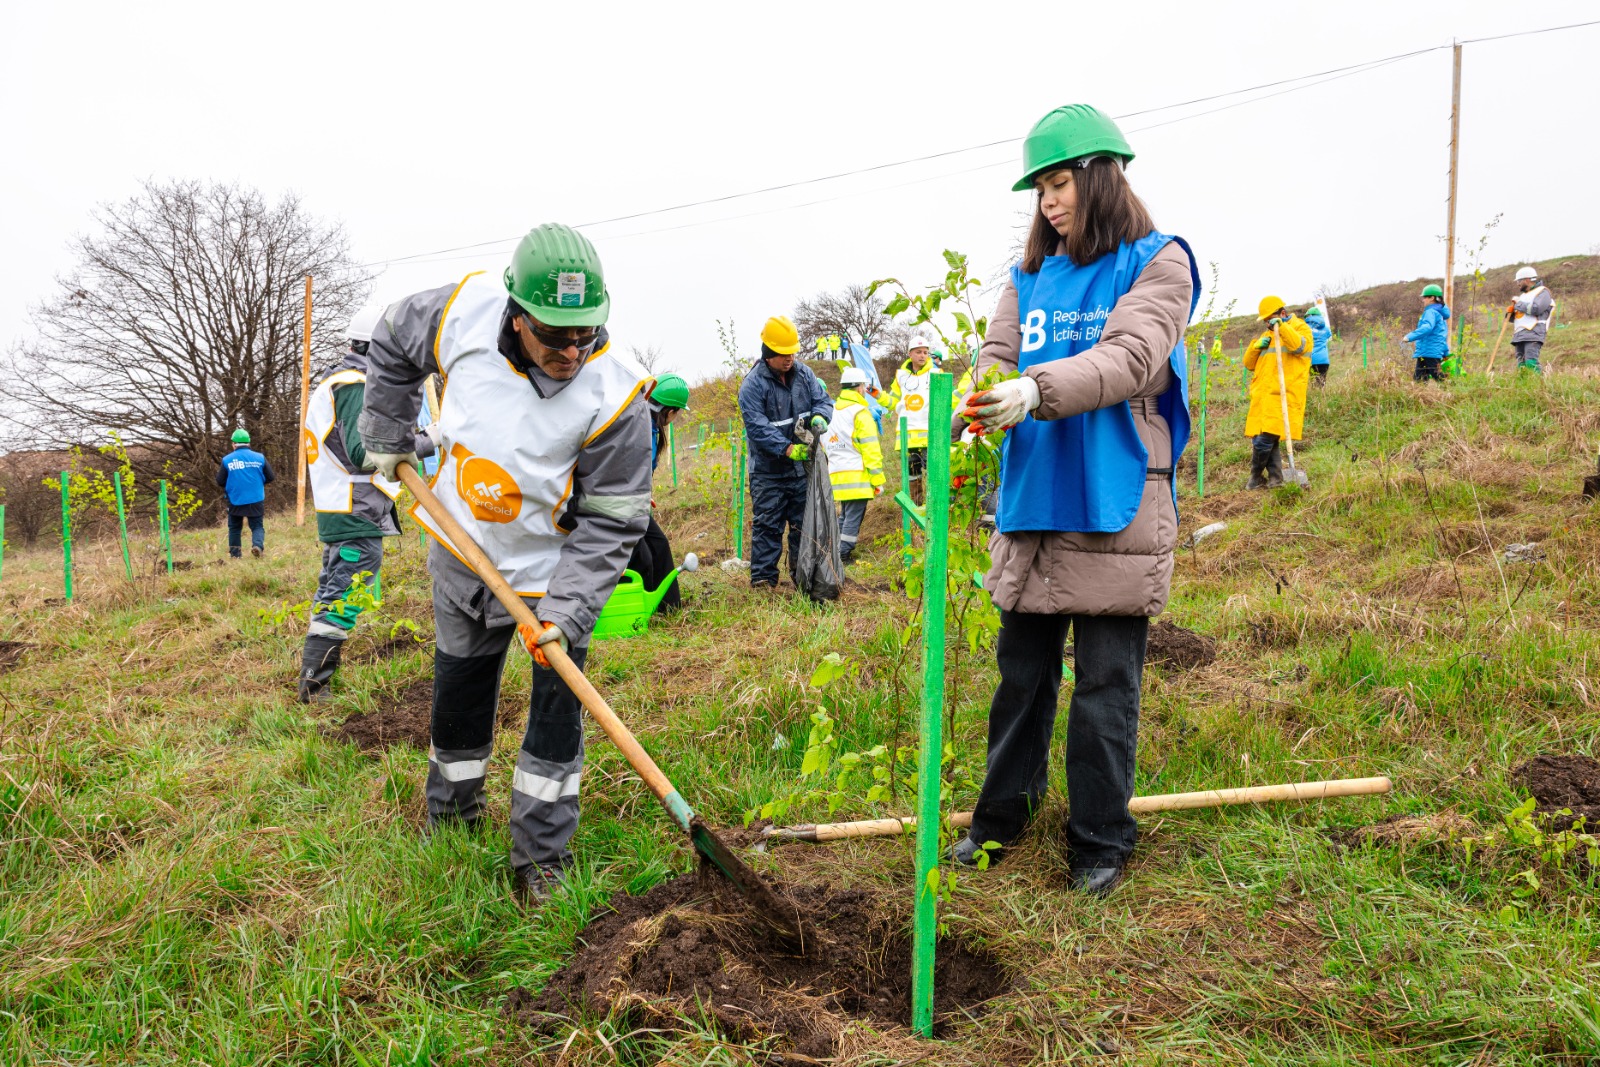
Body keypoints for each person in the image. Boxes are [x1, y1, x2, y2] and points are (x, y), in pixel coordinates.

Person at [357, 223, 653, 902]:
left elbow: (612, 524)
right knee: (459, 687)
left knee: (557, 708)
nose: (572, 350)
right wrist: (385, 433)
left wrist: (566, 614)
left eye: (586, 333)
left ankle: (540, 859)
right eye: (555, 336)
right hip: (462, 550)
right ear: (517, 316)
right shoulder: (460, 312)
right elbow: (393, 344)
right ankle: (451, 817)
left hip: (554, 574)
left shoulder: (618, 396)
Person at [949, 104, 1198, 896]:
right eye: (1040, 190)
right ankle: (1000, 823)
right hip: (1035, 495)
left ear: (1100, 176)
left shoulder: (1159, 263)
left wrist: (1035, 388)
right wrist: (979, 394)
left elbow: (1130, 355)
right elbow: (997, 352)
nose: (1050, 202)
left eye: (1060, 183)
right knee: (1020, 675)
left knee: (1104, 683)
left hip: (1113, 496)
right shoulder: (1027, 279)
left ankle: (1097, 840)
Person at [297, 304, 440, 703]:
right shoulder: (355, 386)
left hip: (344, 508)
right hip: (353, 510)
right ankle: (315, 689)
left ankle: (315, 681)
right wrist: (431, 436)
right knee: (346, 594)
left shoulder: (337, 382)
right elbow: (365, 453)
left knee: (338, 590)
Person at [737, 316, 833, 590]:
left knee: (804, 525)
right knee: (768, 525)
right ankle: (764, 581)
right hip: (769, 472)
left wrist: (820, 416)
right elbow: (757, 427)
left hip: (800, 471)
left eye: (792, 352)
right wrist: (787, 448)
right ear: (768, 353)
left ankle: (802, 578)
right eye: (782, 354)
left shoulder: (804, 374)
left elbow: (822, 400)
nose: (789, 358)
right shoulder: (753, 385)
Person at [625, 373, 690, 613]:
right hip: (620, 504)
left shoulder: (652, 427)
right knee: (641, 557)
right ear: (670, 411)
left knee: (658, 545)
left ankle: (668, 608)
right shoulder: (637, 426)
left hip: (636, 502)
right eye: (678, 413)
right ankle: (638, 610)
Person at [1243, 297, 1313, 489]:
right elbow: (1248, 365)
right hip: (1263, 395)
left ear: (1282, 313)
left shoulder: (1300, 328)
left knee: (1264, 439)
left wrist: (1282, 327)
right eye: (1265, 320)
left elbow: (1299, 347)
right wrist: (1255, 347)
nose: (1267, 323)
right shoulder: (1267, 335)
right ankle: (1275, 480)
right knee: (1267, 437)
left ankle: (1254, 479)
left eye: (1270, 318)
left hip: (1284, 393)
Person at [823, 366, 885, 562]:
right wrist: (877, 479)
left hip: (836, 474)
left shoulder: (831, 410)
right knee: (852, 517)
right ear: (860, 388)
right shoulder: (860, 413)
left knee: (844, 515)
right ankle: (843, 554)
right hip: (857, 476)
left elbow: (826, 443)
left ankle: (836, 550)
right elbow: (870, 449)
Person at [887, 334, 935, 503]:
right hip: (907, 435)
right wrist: (878, 396)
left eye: (925, 352)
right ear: (910, 354)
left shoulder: (936, 373)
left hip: (929, 433)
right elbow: (893, 400)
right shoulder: (900, 376)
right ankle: (917, 509)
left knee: (933, 473)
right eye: (918, 352)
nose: (922, 355)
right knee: (913, 474)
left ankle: (934, 507)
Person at [215, 429, 275, 557]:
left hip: (235, 499)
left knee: (235, 528)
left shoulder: (227, 460)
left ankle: (235, 555)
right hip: (255, 498)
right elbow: (270, 477)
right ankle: (257, 546)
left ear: (233, 444)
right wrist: (258, 483)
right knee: (257, 526)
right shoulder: (260, 457)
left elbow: (220, 481)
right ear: (248, 443)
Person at [1508, 265, 1553, 373]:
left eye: (1519, 280)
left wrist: (1518, 304)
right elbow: (1520, 317)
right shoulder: (1523, 296)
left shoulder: (1543, 292)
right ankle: (1524, 386)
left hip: (1534, 333)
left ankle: (1537, 386)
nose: (1517, 283)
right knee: (1521, 364)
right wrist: (1510, 313)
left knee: (1531, 362)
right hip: (1519, 335)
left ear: (1527, 279)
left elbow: (1536, 309)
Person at [1405, 284, 1451, 382]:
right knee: (1419, 379)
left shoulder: (1431, 312)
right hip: (1426, 353)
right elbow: (1442, 336)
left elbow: (1427, 328)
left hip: (1429, 353)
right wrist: (1446, 352)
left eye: (1425, 297)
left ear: (1432, 298)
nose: (1423, 300)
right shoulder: (1440, 314)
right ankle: (1422, 396)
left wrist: (1410, 337)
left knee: (1438, 378)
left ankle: (1454, 394)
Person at [1304, 305, 1331, 386]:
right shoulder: (1326, 328)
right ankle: (1323, 397)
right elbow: (1328, 336)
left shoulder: (1305, 328)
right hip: (1324, 360)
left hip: (1311, 359)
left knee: (1313, 383)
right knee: (1322, 383)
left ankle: (1316, 397)